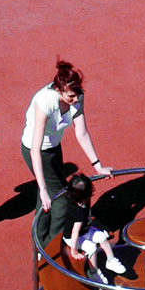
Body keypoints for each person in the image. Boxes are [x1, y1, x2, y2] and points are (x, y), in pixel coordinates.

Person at [23, 60, 110, 255]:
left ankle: (39, 243)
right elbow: (34, 150)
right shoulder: (44, 102)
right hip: (38, 152)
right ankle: (52, 250)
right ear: (58, 90)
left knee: (47, 197)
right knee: (61, 201)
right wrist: (43, 188)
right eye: (71, 96)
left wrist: (98, 165)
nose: (75, 100)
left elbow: (82, 133)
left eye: (77, 95)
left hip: (54, 148)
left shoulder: (77, 97)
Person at [58, 171, 129, 278]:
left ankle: (111, 260)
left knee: (102, 236)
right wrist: (74, 250)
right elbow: (75, 232)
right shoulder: (79, 212)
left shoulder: (80, 200)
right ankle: (93, 272)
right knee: (91, 247)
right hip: (73, 238)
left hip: (86, 231)